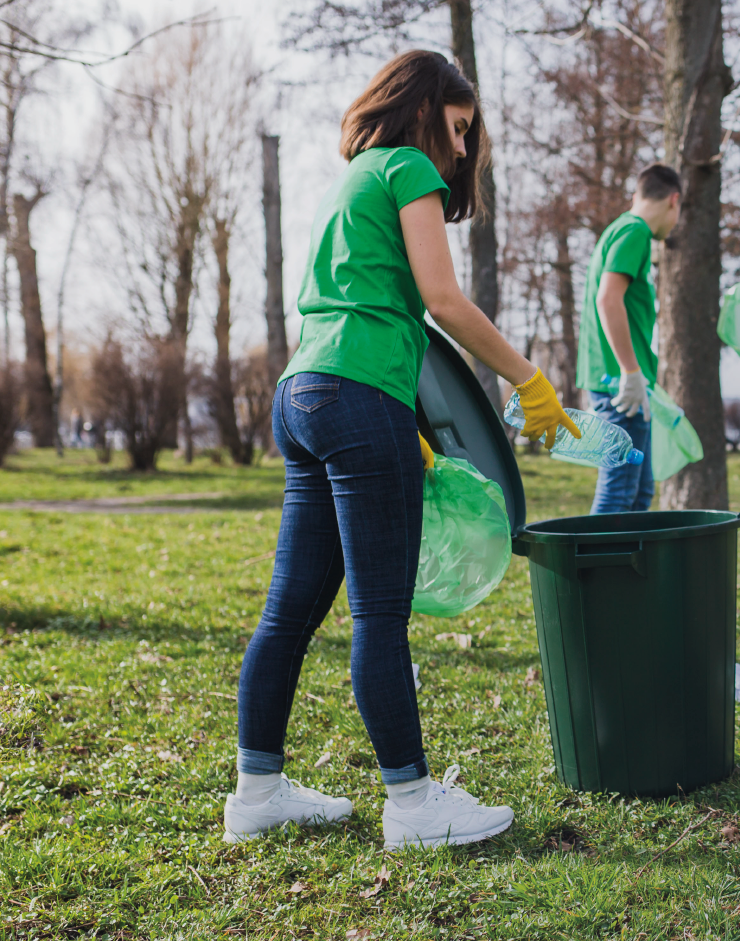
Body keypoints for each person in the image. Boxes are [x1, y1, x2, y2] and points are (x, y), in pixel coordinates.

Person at [227, 50, 582, 851]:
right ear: (424, 110)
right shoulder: (409, 169)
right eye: (457, 130)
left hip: (304, 391)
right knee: (379, 616)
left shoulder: (351, 178)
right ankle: (413, 804)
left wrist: (408, 427)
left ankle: (256, 790)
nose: (459, 152)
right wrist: (528, 379)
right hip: (357, 397)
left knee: (288, 611)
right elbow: (442, 301)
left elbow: (371, 305)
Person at [574, 165, 683, 513]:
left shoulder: (619, 230)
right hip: (620, 385)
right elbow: (608, 299)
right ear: (674, 201)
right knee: (620, 491)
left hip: (619, 381)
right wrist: (631, 372)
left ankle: (628, 568)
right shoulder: (635, 232)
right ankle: (593, 568)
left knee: (638, 493)